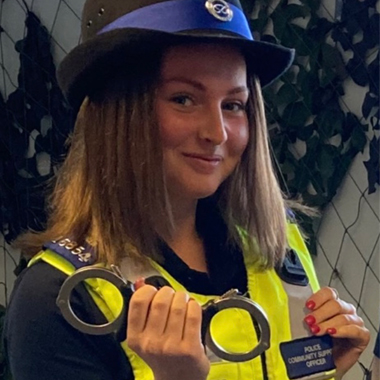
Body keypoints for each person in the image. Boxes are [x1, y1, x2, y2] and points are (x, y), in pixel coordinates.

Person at [3, 1, 370, 380]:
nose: (217, 132)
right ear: (117, 111)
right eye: (183, 99)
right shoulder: (56, 299)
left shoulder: (277, 243)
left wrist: (326, 370)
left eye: (233, 105)